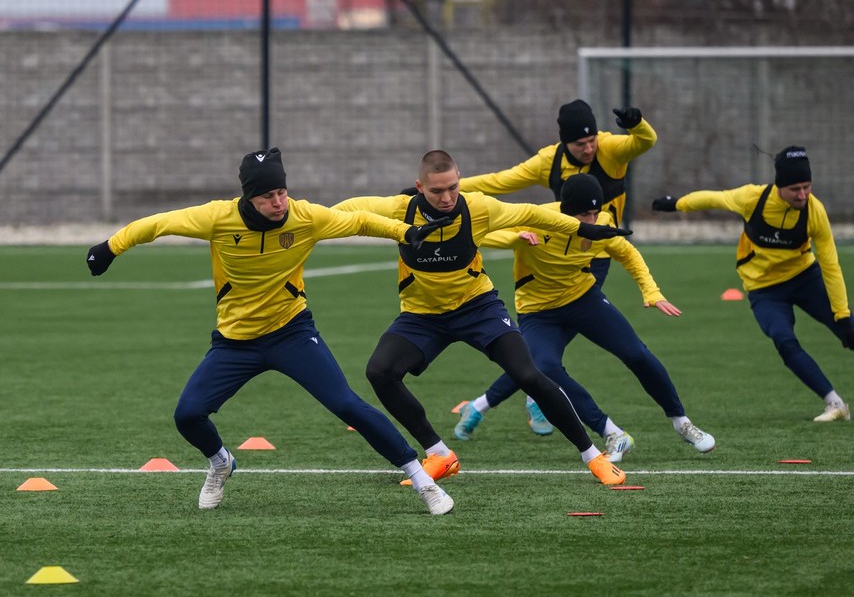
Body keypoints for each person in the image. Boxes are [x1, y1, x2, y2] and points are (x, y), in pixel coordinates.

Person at [85, 148, 456, 515]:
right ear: (249, 196)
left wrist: (406, 232)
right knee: (187, 415)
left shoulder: (305, 216)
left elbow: (360, 221)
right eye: (267, 196)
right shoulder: (217, 218)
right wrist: (110, 248)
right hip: (235, 342)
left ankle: (423, 482)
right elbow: (156, 224)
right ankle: (220, 463)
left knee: (346, 404)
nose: (279, 202)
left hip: (292, 333)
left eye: (281, 192)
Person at [334, 150, 631, 486]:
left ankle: (593, 457)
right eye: (436, 191)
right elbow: (345, 211)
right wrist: (299, 222)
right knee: (380, 371)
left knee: (528, 374)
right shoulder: (399, 210)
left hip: (478, 309)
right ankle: (440, 455)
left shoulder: (478, 207)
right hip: (423, 316)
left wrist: (581, 229)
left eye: (453, 188)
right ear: (419, 187)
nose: (447, 198)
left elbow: (532, 214)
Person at [651, 146, 854, 421]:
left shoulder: (815, 211)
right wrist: (677, 204)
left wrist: (841, 315)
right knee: (784, 340)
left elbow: (830, 264)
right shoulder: (753, 198)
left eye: (807, 187)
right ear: (779, 186)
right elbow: (713, 198)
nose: (803, 195)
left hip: (806, 279)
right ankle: (835, 403)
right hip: (764, 289)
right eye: (795, 189)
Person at [454, 174, 716, 461]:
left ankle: (682, 423)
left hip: (583, 299)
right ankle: (612, 433)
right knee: (544, 368)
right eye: (584, 214)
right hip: (538, 311)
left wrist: (651, 291)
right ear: (565, 210)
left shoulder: (601, 223)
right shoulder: (537, 217)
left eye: (595, 212)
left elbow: (627, 253)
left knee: (637, 354)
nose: (591, 220)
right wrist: (515, 238)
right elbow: (481, 233)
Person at [456, 99, 658, 434]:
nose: (589, 148)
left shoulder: (610, 148)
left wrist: (637, 124)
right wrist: (448, 191)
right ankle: (510, 400)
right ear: (565, 142)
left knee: (543, 353)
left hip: (597, 253)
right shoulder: (547, 161)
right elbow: (498, 181)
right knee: (542, 353)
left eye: (591, 139)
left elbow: (645, 142)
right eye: (580, 144)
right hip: (556, 255)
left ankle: (491, 404)